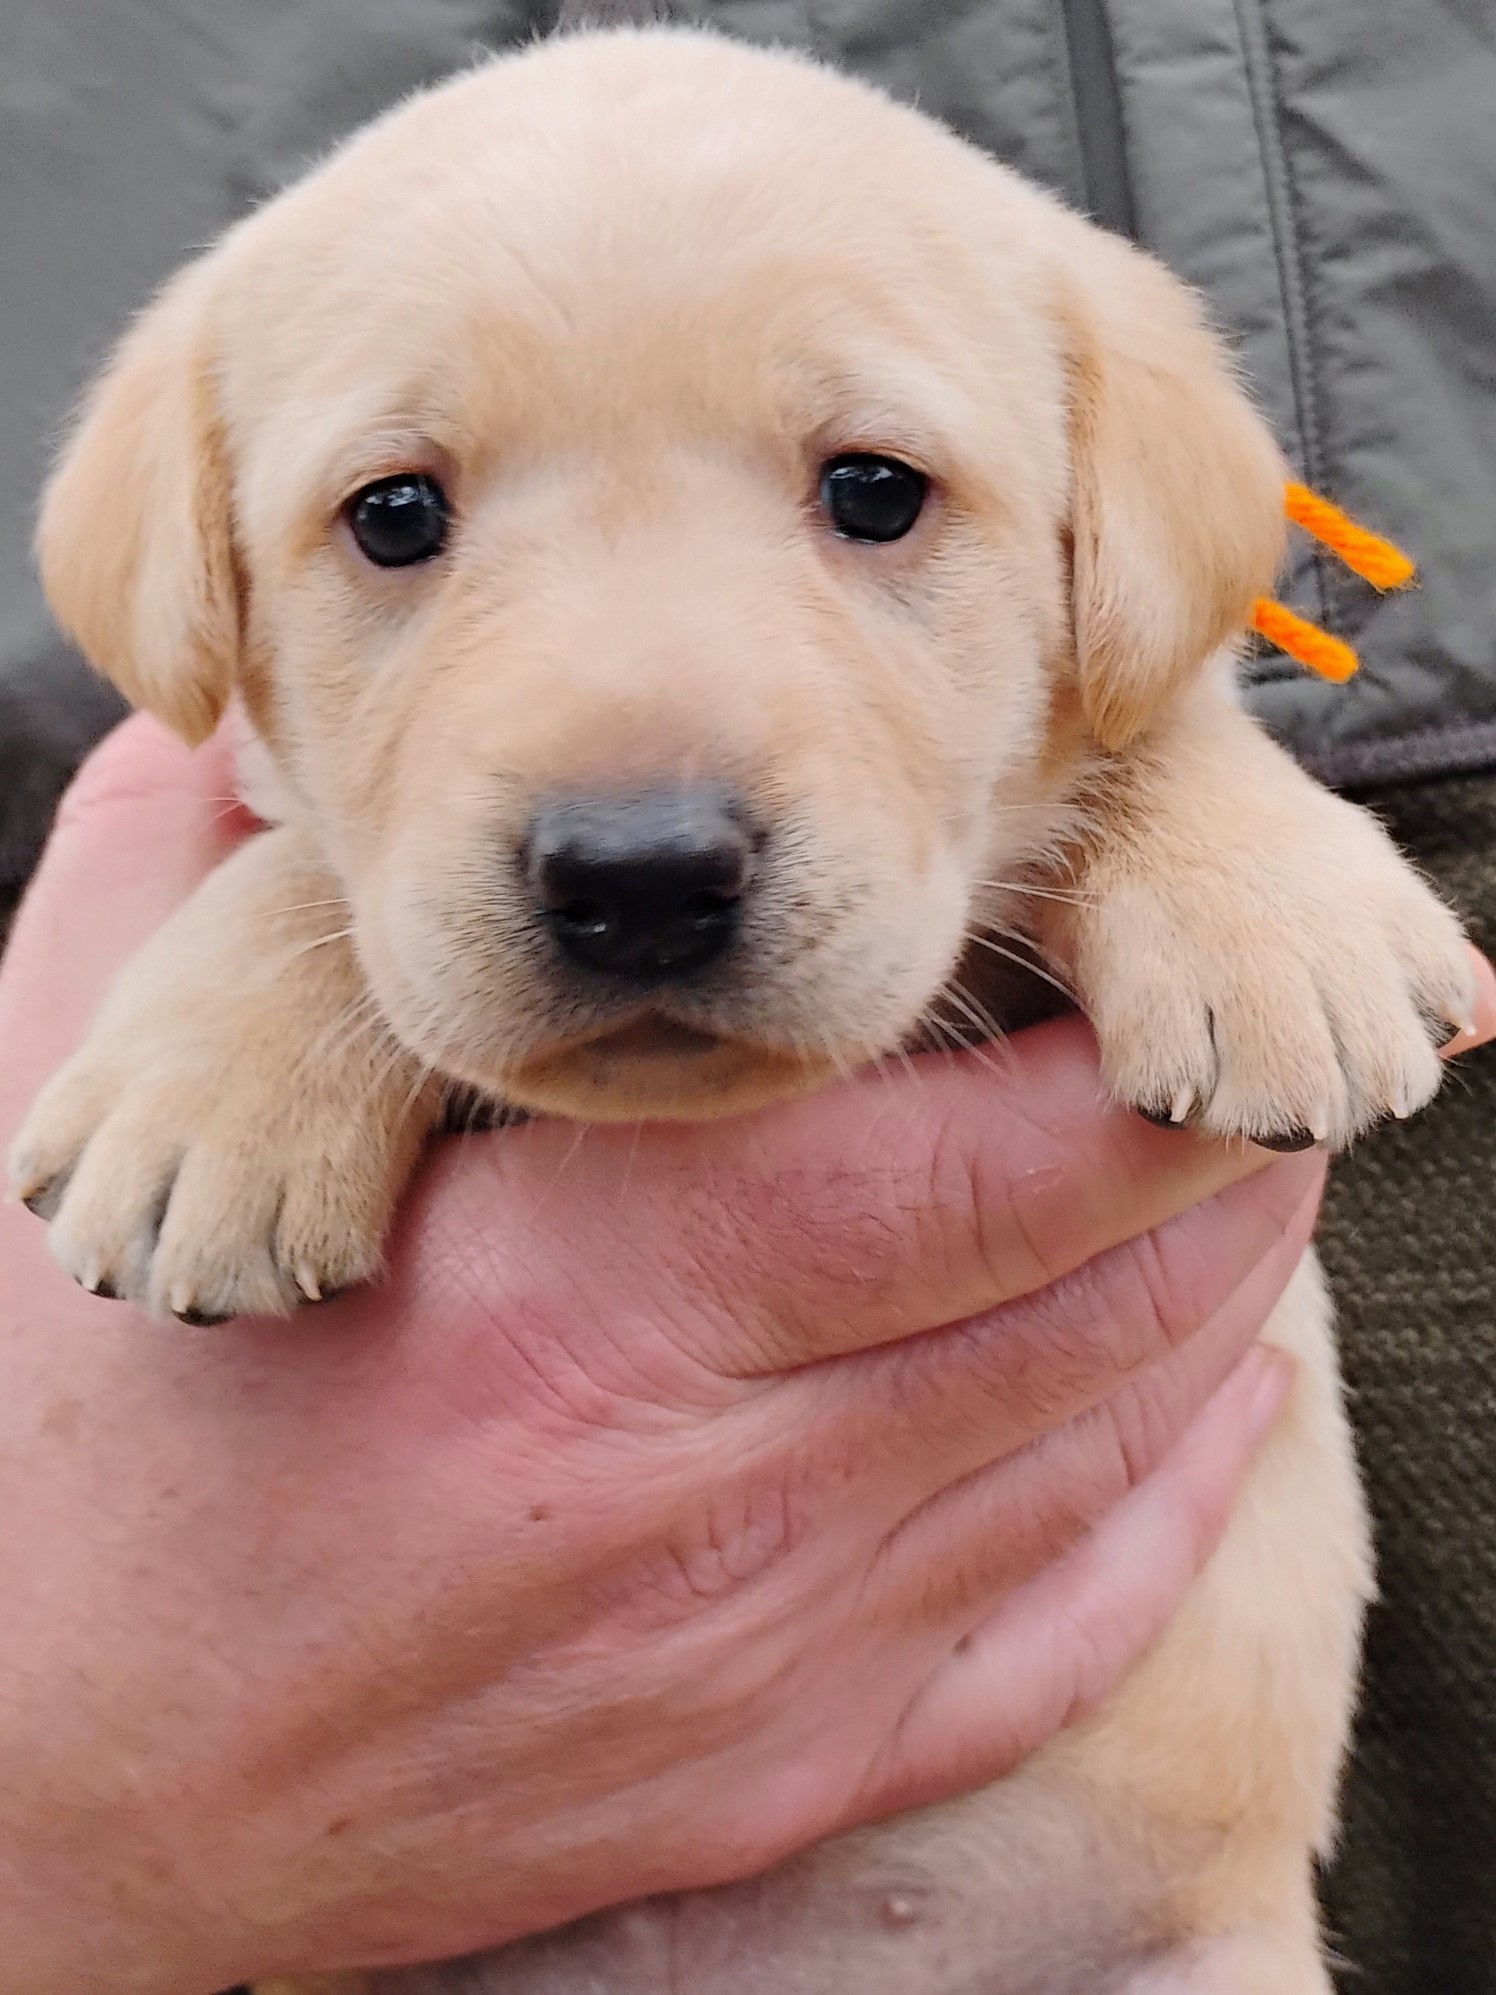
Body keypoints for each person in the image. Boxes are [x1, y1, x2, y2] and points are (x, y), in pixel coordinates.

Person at [13, 714, 1474, 1992]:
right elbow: (286, 775)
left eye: (869, 494)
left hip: (1134, 1938)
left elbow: (1106, 706)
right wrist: (60, 1840)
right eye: (402, 519)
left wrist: (1202, 819)